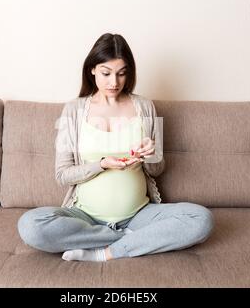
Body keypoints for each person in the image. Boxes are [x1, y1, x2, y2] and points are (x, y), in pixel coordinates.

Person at [18, 33, 214, 262]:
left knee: (201, 219)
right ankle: (130, 238)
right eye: (106, 73)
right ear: (92, 69)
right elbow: (62, 175)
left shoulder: (145, 107)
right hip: (85, 217)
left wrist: (150, 155)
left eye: (122, 74)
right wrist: (101, 164)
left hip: (139, 214)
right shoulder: (73, 110)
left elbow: (158, 169)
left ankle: (106, 251)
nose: (114, 82)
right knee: (30, 226)